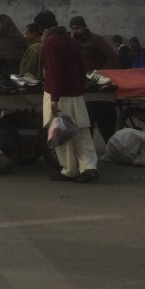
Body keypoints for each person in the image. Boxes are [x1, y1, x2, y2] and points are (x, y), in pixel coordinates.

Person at [34, 10, 98, 183]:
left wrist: (54, 99)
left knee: (60, 133)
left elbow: (54, 72)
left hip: (59, 94)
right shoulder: (71, 40)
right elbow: (80, 69)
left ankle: (69, 169)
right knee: (81, 132)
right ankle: (89, 167)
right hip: (75, 93)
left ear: (41, 27)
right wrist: (79, 89)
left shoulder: (49, 42)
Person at [69, 15, 119, 141]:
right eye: (72, 28)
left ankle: (113, 151)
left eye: (78, 28)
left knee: (106, 125)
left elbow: (112, 57)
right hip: (83, 88)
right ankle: (89, 154)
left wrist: (101, 73)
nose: (75, 31)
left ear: (84, 27)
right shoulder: (73, 42)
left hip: (99, 89)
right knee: (86, 124)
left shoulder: (96, 40)